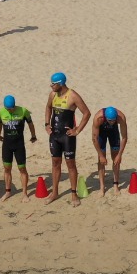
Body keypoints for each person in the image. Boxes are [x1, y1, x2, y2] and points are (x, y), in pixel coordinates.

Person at [44, 72, 91, 205]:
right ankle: (55, 192)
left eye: (53, 84)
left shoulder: (73, 96)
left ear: (61, 83)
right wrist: (47, 124)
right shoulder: (53, 95)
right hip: (54, 136)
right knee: (55, 163)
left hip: (67, 136)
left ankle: (73, 194)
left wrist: (77, 130)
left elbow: (87, 113)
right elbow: (48, 108)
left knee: (71, 164)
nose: (51, 86)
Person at [0, 94, 36, 199]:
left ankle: (24, 193)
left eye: (12, 108)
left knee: (22, 169)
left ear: (15, 106)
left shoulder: (23, 111)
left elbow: (30, 124)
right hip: (7, 145)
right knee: (7, 168)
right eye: (8, 109)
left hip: (19, 145)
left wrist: (33, 135)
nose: (10, 110)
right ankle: (8, 191)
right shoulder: (1, 112)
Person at [90, 106, 128, 194]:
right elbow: (94, 139)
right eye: (110, 121)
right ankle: (102, 187)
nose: (112, 122)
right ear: (106, 118)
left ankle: (115, 184)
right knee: (101, 160)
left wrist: (119, 155)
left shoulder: (121, 117)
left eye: (114, 120)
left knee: (116, 159)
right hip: (101, 133)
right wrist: (101, 155)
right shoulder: (98, 118)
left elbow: (124, 137)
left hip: (113, 133)